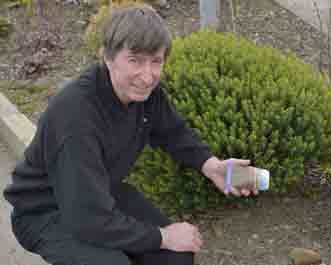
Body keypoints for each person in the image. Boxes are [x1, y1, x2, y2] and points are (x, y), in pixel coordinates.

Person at [3, 4, 258, 265]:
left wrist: (212, 166)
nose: (147, 77)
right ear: (108, 58)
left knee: (175, 257)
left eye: (156, 61)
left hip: (100, 192)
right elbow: (87, 218)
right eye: (134, 60)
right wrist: (161, 236)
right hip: (45, 212)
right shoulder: (76, 117)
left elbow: (173, 132)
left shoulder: (144, 94)